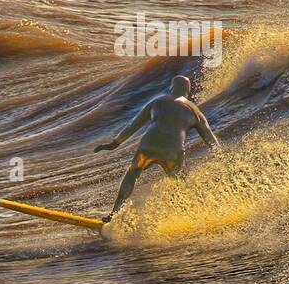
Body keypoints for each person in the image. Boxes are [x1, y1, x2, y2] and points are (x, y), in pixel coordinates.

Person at [94, 75, 220, 221]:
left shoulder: (158, 101)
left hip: (148, 145)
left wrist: (114, 144)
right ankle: (185, 217)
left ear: (171, 88)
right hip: (173, 151)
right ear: (188, 91)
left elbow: (133, 125)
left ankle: (114, 213)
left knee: (133, 172)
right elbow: (211, 140)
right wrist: (221, 156)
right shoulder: (195, 112)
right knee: (179, 183)